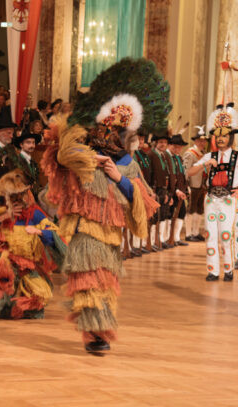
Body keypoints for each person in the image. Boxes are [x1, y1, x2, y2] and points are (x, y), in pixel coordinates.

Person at [41, 58, 165, 354]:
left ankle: (98, 332)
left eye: (123, 133)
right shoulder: (82, 151)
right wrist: (91, 159)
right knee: (88, 283)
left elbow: (144, 203)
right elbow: (62, 155)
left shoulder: (126, 162)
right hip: (85, 231)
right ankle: (96, 334)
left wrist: (118, 176)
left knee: (105, 285)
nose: (116, 136)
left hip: (110, 237)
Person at [0, 169, 66, 319]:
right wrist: (5, 217)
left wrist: (39, 232)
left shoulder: (35, 213)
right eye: (14, 196)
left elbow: (55, 235)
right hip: (6, 265)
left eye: (23, 194)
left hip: (28, 265)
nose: (20, 199)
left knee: (36, 299)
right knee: (3, 306)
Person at [187, 103, 238, 282]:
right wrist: (204, 164)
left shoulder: (237, 157)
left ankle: (228, 268)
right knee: (210, 235)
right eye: (218, 136)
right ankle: (213, 271)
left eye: (225, 136)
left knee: (225, 235)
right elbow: (190, 172)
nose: (221, 139)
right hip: (210, 199)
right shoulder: (209, 156)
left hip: (228, 199)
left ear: (231, 137)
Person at [183, 125, 208, 241]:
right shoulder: (190, 153)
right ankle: (188, 234)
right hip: (192, 185)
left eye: (204, 141)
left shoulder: (203, 153)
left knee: (199, 209)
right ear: (196, 141)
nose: (203, 143)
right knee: (190, 209)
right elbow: (185, 170)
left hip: (201, 185)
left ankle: (196, 232)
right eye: (200, 141)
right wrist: (186, 185)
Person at [148, 134, 173, 250]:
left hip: (163, 188)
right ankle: (150, 242)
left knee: (162, 214)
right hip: (154, 188)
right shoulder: (151, 155)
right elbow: (150, 174)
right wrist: (150, 191)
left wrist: (167, 192)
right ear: (155, 143)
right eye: (160, 142)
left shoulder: (163, 155)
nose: (163, 144)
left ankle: (159, 240)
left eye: (165, 142)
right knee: (153, 216)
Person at [167, 134, 189, 246]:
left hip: (181, 191)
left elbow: (182, 175)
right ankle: (168, 238)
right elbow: (170, 176)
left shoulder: (178, 158)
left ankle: (176, 237)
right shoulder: (167, 157)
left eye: (180, 147)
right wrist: (176, 190)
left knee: (182, 212)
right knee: (170, 214)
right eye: (175, 146)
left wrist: (185, 188)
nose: (178, 149)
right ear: (170, 145)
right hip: (172, 191)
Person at [7, 130, 42, 198]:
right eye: (28, 143)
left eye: (33, 143)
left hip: (34, 197)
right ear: (21, 145)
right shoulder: (16, 161)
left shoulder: (33, 162)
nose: (32, 145)